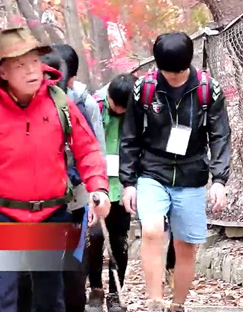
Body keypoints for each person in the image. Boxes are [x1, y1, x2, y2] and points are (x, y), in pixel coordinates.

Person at [0, 26, 111, 312]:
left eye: (34, 61)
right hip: (0, 216)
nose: (32, 70)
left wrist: (99, 188)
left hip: (51, 215)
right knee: (1, 300)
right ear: (3, 72)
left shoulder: (60, 102)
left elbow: (88, 148)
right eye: (20, 64)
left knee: (49, 299)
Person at [119, 32, 231, 312]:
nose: (173, 78)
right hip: (152, 170)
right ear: (158, 67)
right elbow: (129, 136)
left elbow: (219, 135)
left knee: (185, 245)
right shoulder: (143, 88)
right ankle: (154, 301)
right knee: (153, 230)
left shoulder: (208, 89)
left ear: (188, 65)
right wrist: (128, 182)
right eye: (167, 73)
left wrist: (219, 180)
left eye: (178, 73)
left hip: (191, 173)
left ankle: (177, 305)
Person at [41, 45, 106, 312]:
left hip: (76, 197)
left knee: (73, 267)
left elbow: (93, 150)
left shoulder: (83, 104)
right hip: (40, 203)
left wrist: (97, 190)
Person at [87, 73, 138, 312]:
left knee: (119, 242)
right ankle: (95, 290)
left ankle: (115, 294)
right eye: (114, 105)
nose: (117, 110)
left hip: (123, 185)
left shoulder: (138, 110)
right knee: (95, 238)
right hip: (97, 185)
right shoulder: (95, 106)